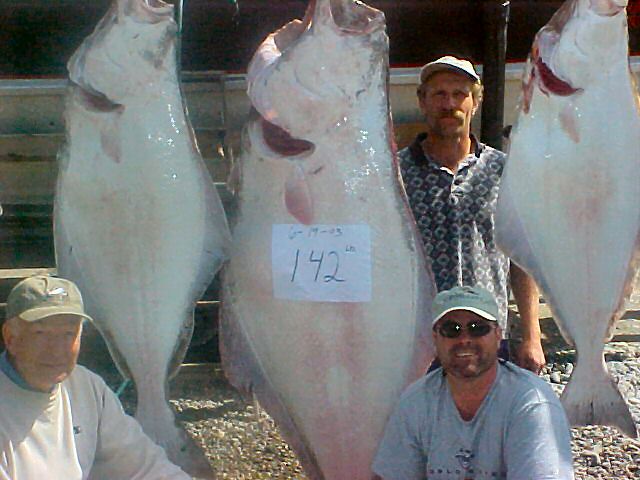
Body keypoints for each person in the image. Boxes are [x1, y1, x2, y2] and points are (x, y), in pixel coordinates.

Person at [399, 55, 544, 373]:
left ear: (475, 103)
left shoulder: (503, 171)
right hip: (413, 343)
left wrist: (532, 335)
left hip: (486, 337)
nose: (449, 103)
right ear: (423, 102)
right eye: (439, 94)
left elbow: (522, 258)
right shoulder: (395, 175)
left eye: (460, 94)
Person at [371, 285, 574, 480]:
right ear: (435, 338)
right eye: (452, 329)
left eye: (478, 328)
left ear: (497, 335)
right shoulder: (415, 402)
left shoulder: (532, 404)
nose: (464, 339)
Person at [0, 275, 191, 480]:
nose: (56, 350)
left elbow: (145, 466)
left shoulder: (86, 387)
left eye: (68, 334)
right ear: (11, 337)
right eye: (40, 333)